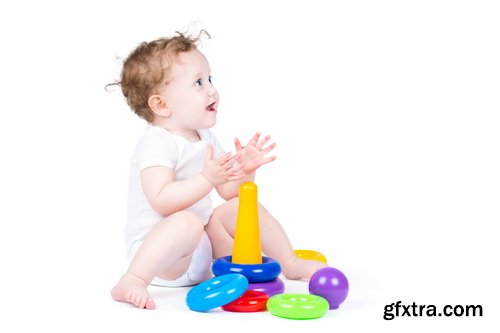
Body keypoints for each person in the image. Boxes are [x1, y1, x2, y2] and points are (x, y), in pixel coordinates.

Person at [110, 31, 326, 310]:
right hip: (161, 259)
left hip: (199, 249)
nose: (212, 90)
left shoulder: (203, 136)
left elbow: (228, 192)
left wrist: (244, 171)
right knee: (186, 221)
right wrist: (206, 178)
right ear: (161, 105)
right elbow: (161, 198)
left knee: (240, 205)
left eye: (210, 79)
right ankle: (132, 279)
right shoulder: (157, 142)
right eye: (198, 83)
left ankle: (289, 262)